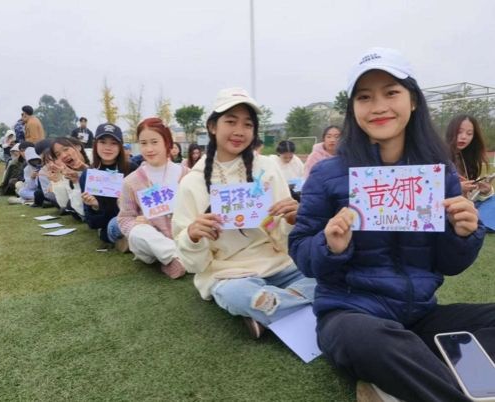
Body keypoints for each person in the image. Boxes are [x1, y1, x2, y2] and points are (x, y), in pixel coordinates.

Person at [288, 47, 494, 402]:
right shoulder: (326, 174)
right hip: (350, 316)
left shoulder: (438, 172)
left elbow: (449, 265)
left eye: (391, 92)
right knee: (367, 341)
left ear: (412, 101)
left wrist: (465, 233)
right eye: (364, 97)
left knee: (411, 343)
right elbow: (302, 254)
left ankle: (396, 381)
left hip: (420, 317)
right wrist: (329, 245)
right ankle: (421, 374)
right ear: (353, 108)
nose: (378, 106)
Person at [172, 87, 315, 339]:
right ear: (212, 126)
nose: (240, 131)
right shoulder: (191, 183)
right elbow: (194, 265)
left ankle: (268, 311)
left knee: (331, 274)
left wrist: (293, 219)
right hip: (230, 275)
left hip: (281, 266)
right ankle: (300, 306)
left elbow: (281, 237)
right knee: (235, 295)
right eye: (231, 121)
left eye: (248, 124)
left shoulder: (267, 168)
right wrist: (192, 236)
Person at [117, 118, 189, 278]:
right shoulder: (130, 181)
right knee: (138, 233)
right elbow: (124, 218)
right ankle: (177, 256)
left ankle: (173, 261)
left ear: (167, 142)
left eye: (154, 142)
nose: (149, 149)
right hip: (152, 244)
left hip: (187, 237)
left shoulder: (187, 175)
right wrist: (137, 223)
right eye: (143, 143)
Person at [80, 123, 138, 248]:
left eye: (113, 143)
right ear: (95, 144)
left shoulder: (132, 168)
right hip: (112, 224)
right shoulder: (88, 175)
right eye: (102, 142)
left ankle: (131, 241)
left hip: (136, 218)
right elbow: (92, 223)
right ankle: (129, 240)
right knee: (115, 224)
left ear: (120, 146)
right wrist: (96, 206)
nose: (107, 147)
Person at [446, 114, 494, 202]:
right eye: (459, 132)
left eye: (469, 134)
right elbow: (429, 192)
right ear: (450, 132)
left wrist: (485, 191)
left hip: (466, 206)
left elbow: (470, 197)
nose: (464, 137)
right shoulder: (438, 157)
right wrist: (456, 188)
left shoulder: (467, 158)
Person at [49, 137, 90, 220]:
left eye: (66, 149)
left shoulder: (94, 158)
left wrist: (87, 170)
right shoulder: (69, 173)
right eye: (58, 154)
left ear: (78, 147)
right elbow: (64, 204)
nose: (64, 156)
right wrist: (57, 181)